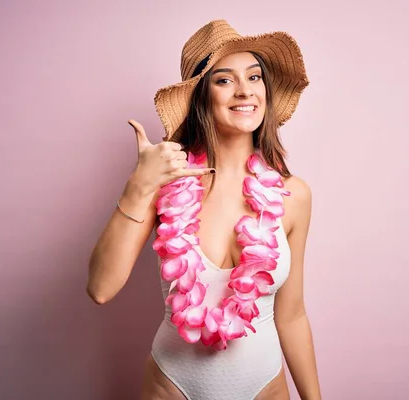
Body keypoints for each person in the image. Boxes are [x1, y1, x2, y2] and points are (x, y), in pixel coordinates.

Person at [87, 20, 321, 400]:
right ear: (201, 96)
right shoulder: (163, 185)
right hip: (172, 386)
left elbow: (292, 314)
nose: (245, 90)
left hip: (265, 388)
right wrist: (139, 186)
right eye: (224, 80)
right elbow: (100, 289)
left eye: (255, 77)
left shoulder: (294, 195)